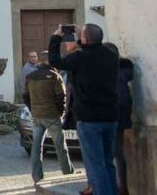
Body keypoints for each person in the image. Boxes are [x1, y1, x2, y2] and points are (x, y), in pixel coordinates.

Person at [49, 24, 118, 195]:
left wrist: (56, 37)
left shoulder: (80, 57)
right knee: (108, 163)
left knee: (96, 166)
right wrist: (83, 38)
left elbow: (55, 61)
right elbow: (93, 49)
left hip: (89, 118)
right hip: (111, 116)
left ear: (85, 39)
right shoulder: (112, 56)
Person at [22, 51, 74, 184]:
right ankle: (67, 173)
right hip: (52, 116)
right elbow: (61, 97)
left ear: (40, 61)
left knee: (36, 147)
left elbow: (25, 96)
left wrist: (33, 109)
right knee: (60, 146)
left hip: (37, 116)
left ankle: (37, 176)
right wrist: (61, 113)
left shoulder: (30, 76)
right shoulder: (54, 76)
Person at [104, 43, 134, 195]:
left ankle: (118, 187)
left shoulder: (108, 70)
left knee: (112, 152)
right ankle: (121, 187)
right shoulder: (125, 68)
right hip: (121, 114)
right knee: (117, 152)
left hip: (110, 115)